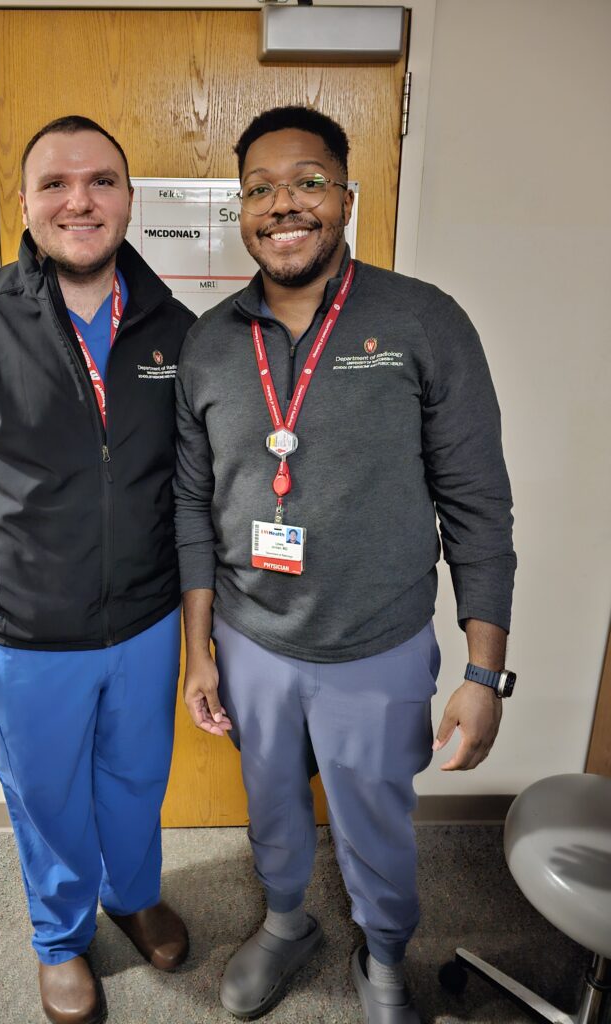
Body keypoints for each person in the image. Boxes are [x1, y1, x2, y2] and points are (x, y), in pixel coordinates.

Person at [174, 106, 516, 1023]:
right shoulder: (209, 344)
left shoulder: (422, 320)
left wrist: (485, 670)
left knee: (376, 823)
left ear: (346, 197)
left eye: (309, 181)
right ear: (241, 211)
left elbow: (479, 502)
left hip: (378, 643)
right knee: (272, 805)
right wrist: (199, 649)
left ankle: (386, 956)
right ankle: (289, 923)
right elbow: (190, 510)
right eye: (260, 189)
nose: (284, 204)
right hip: (252, 640)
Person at [0, 115, 195, 1024]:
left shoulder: (175, 328)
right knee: (47, 795)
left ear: (128, 199)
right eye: (56, 183)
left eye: (101, 181)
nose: (79, 201)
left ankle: (132, 896)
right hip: (19, 631)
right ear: (24, 202)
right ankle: (59, 937)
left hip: (145, 620)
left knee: (139, 779)